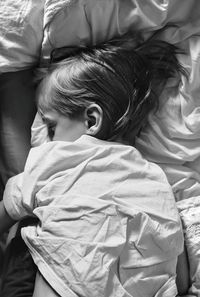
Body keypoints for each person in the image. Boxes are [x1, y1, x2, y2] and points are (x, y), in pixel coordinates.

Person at [0, 33, 186, 297]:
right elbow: (173, 252)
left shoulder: (57, 158)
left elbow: (7, 211)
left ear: (91, 121)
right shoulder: (155, 177)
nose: (45, 138)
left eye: (51, 127)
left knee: (25, 232)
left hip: (68, 282)